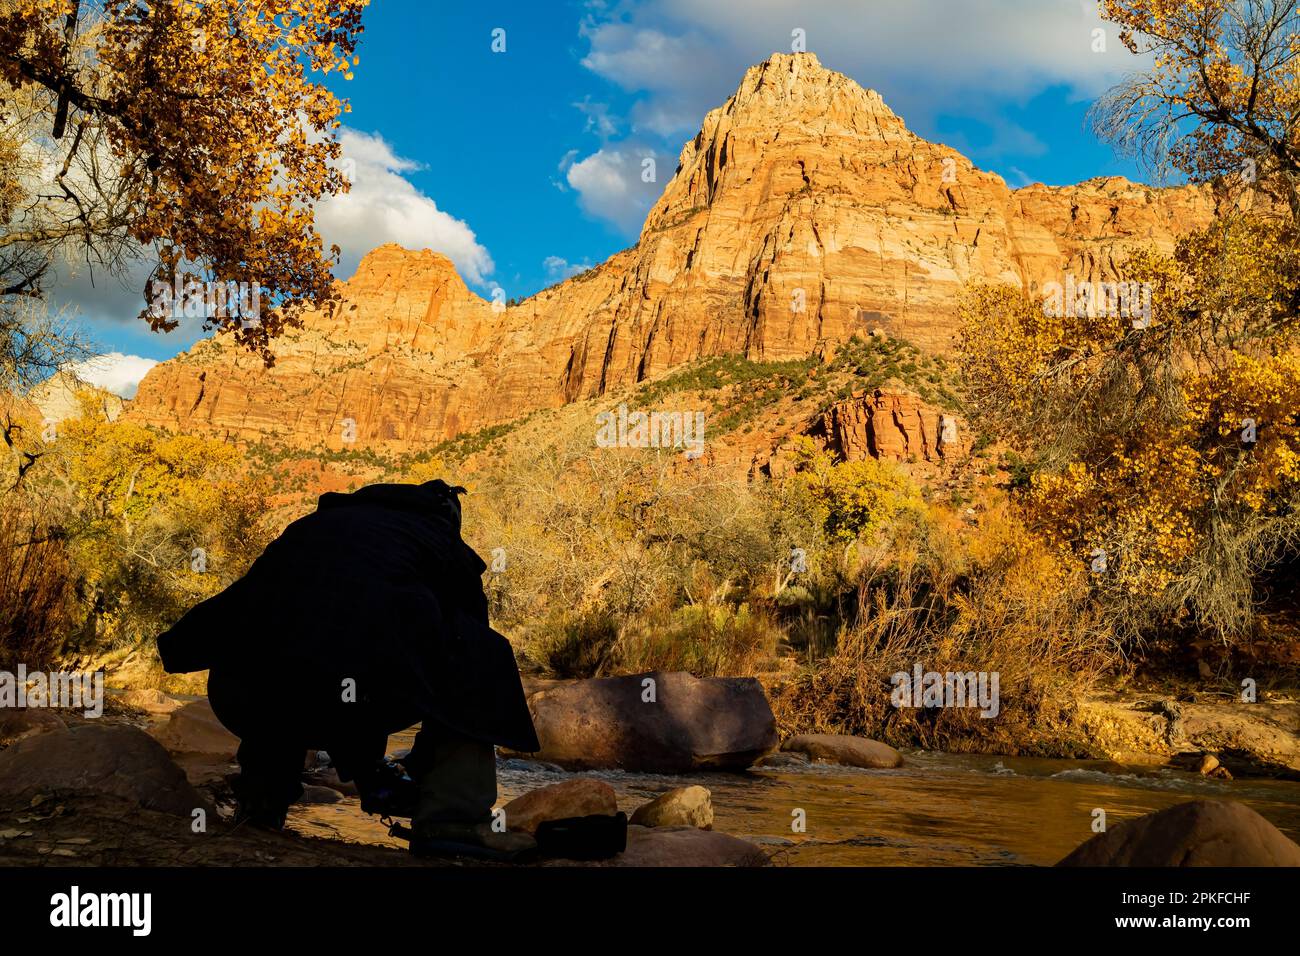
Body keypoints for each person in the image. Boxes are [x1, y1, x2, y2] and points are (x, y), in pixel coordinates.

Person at [155, 479, 540, 860]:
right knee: (482, 650)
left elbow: (227, 620)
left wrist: (365, 766)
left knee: (281, 652)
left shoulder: (309, 529)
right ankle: (453, 820)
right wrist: (398, 769)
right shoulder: (437, 540)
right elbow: (460, 668)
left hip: (241, 695)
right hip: (352, 696)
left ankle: (261, 803)